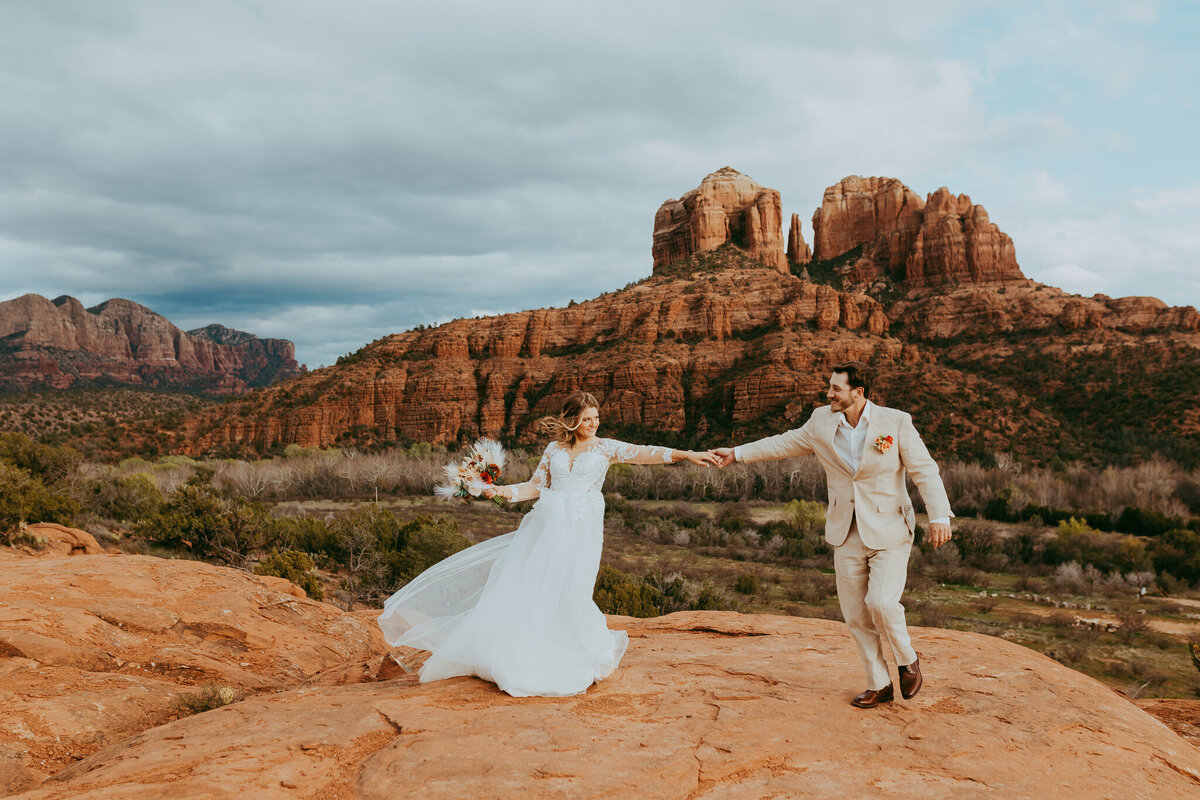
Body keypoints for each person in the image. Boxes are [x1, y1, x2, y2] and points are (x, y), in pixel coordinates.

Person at [377, 391, 718, 697]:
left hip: (583, 527)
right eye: (587, 419)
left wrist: (687, 455)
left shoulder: (605, 448)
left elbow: (646, 453)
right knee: (536, 585)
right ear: (572, 420)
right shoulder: (554, 449)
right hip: (547, 525)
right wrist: (499, 492)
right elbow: (535, 486)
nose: (593, 424)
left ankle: (574, 649)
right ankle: (529, 650)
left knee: (573, 590)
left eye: (597, 418)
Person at [711, 362, 953, 709]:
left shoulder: (895, 422)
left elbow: (924, 470)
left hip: (890, 528)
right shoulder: (820, 420)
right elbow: (783, 444)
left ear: (858, 393)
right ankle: (879, 683)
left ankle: (907, 659)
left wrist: (940, 516)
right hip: (846, 529)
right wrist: (736, 454)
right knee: (855, 614)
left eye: (836, 388)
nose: (828, 393)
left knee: (881, 603)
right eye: (829, 386)